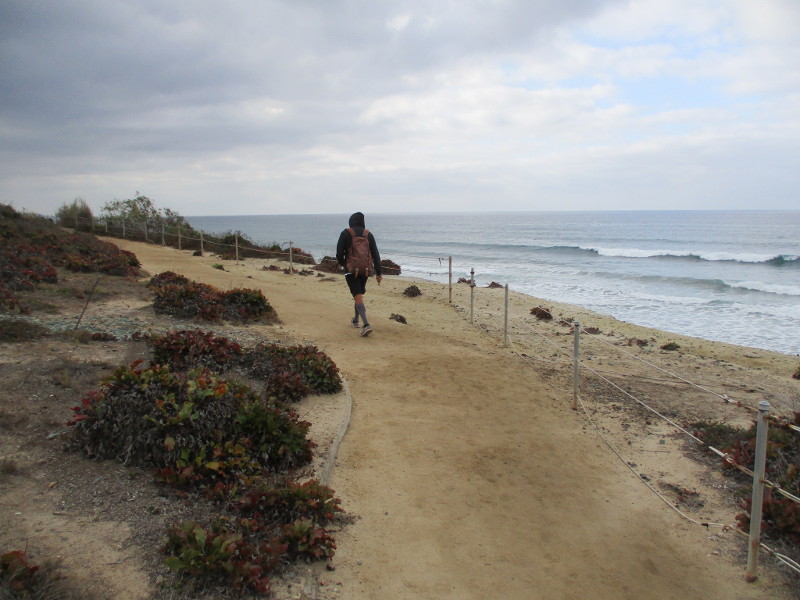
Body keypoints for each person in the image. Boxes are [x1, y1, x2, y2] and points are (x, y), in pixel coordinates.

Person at [336, 212, 382, 337]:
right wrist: (378, 272)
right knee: (358, 294)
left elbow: (339, 253)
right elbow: (376, 254)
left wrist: (343, 264)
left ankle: (366, 325)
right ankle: (355, 320)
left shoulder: (346, 233)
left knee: (357, 296)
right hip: (366, 270)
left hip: (351, 270)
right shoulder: (368, 235)